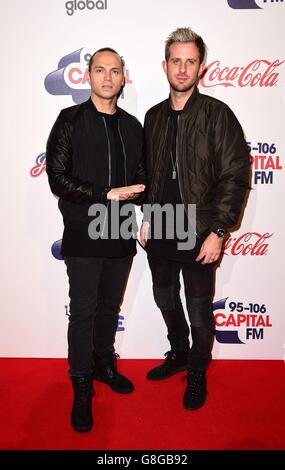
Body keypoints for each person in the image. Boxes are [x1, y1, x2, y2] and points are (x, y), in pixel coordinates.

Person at [140, 28, 250, 411]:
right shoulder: (152, 116)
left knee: (200, 309)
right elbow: (150, 175)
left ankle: (198, 370)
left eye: (190, 61)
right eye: (176, 61)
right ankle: (179, 352)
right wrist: (148, 215)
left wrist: (219, 230)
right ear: (165, 65)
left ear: (201, 66)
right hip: (161, 226)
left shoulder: (217, 114)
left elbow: (236, 175)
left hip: (201, 228)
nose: (182, 68)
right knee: (164, 298)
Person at [46, 47, 145, 432]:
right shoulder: (69, 120)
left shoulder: (133, 126)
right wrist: (104, 193)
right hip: (84, 231)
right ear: (88, 76)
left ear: (123, 78)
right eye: (100, 70)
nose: (107, 77)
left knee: (109, 307)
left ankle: (104, 362)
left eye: (114, 71)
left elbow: (141, 176)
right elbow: (57, 178)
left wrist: (152, 212)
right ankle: (81, 381)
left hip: (120, 231)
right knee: (83, 311)